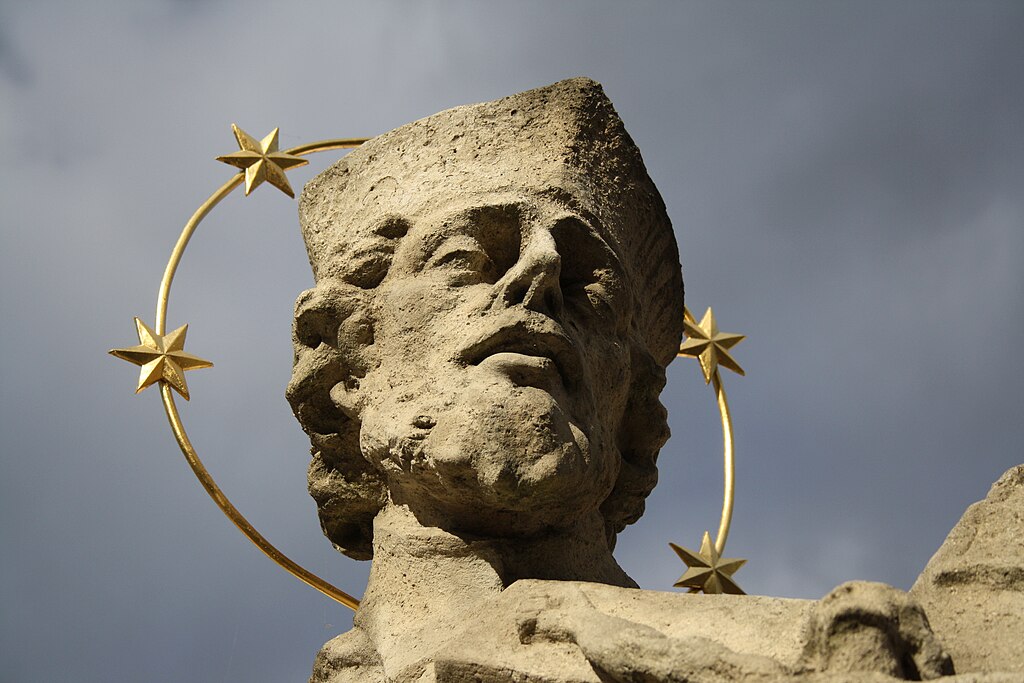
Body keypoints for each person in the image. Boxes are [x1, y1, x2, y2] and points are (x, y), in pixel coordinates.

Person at [286, 79, 949, 683]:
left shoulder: (836, 646)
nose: (540, 275)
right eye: (465, 257)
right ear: (349, 362)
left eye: (586, 284)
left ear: (629, 404)